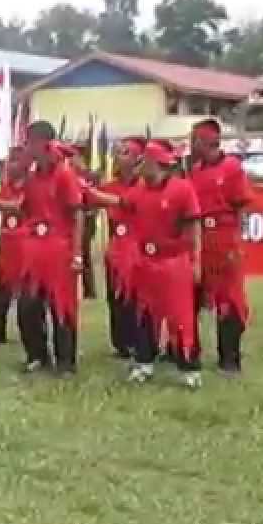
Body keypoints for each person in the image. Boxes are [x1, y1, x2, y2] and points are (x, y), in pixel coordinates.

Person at [88, 141, 203, 388]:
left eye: (145, 162)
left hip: (173, 262)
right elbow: (119, 202)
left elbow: (193, 226)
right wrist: (91, 193)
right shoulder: (140, 191)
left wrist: (195, 261)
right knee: (144, 315)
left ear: (155, 164)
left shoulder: (182, 190)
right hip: (146, 262)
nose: (140, 166)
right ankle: (144, 362)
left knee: (180, 316)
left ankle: (189, 367)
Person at [0, 122, 85, 376]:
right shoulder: (33, 176)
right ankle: (37, 355)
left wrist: (77, 254)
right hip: (34, 249)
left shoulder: (64, 175)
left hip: (59, 249)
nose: (26, 147)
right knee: (28, 305)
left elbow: (77, 214)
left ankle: (66, 361)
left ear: (41, 142)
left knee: (61, 307)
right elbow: (21, 204)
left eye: (29, 142)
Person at [190, 118, 254, 375]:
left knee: (229, 299)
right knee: (191, 295)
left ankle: (229, 359)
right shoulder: (195, 170)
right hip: (199, 237)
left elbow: (241, 206)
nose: (190, 145)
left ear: (205, 142)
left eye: (194, 140)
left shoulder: (232, 168)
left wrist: (235, 243)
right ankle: (186, 352)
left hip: (224, 237)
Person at [100, 138, 147, 359]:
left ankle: (140, 341)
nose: (119, 157)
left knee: (137, 297)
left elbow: (122, 201)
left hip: (138, 247)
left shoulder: (144, 185)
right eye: (117, 152)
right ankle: (121, 343)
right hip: (116, 247)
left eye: (125, 153)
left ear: (138, 158)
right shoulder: (111, 184)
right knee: (115, 296)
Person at [0, 148, 27, 345]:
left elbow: (17, 206)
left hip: (24, 248)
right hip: (6, 246)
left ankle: (31, 335)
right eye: (9, 162)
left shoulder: (30, 186)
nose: (9, 166)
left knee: (25, 296)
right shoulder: (7, 186)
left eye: (14, 162)